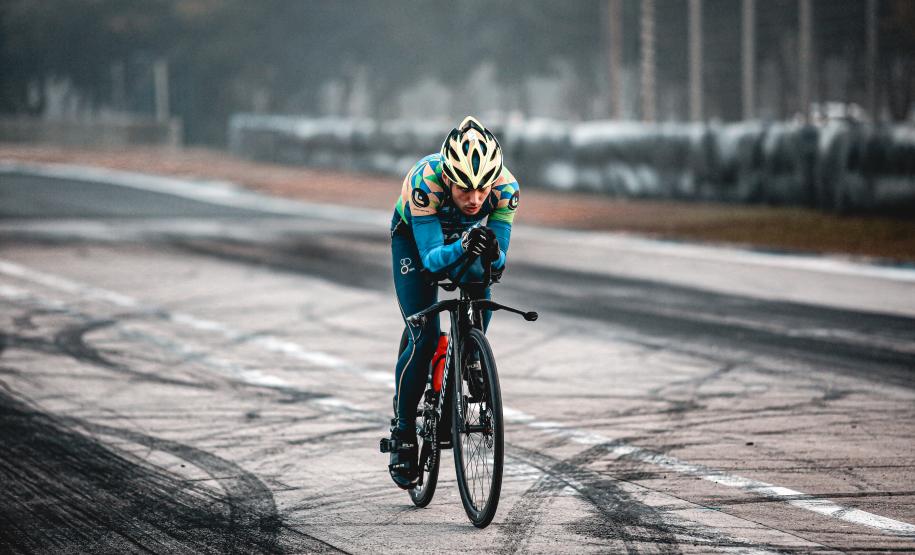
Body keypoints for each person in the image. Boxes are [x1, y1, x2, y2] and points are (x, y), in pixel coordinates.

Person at [386, 116, 520, 489]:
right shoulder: (424, 182)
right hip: (415, 239)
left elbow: (497, 265)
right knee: (425, 335)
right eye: (464, 190)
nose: (475, 199)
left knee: (481, 281)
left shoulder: (507, 189)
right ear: (448, 178)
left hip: (463, 238)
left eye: (482, 190)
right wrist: (464, 244)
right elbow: (430, 260)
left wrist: (491, 250)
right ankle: (404, 430)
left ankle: (471, 354)